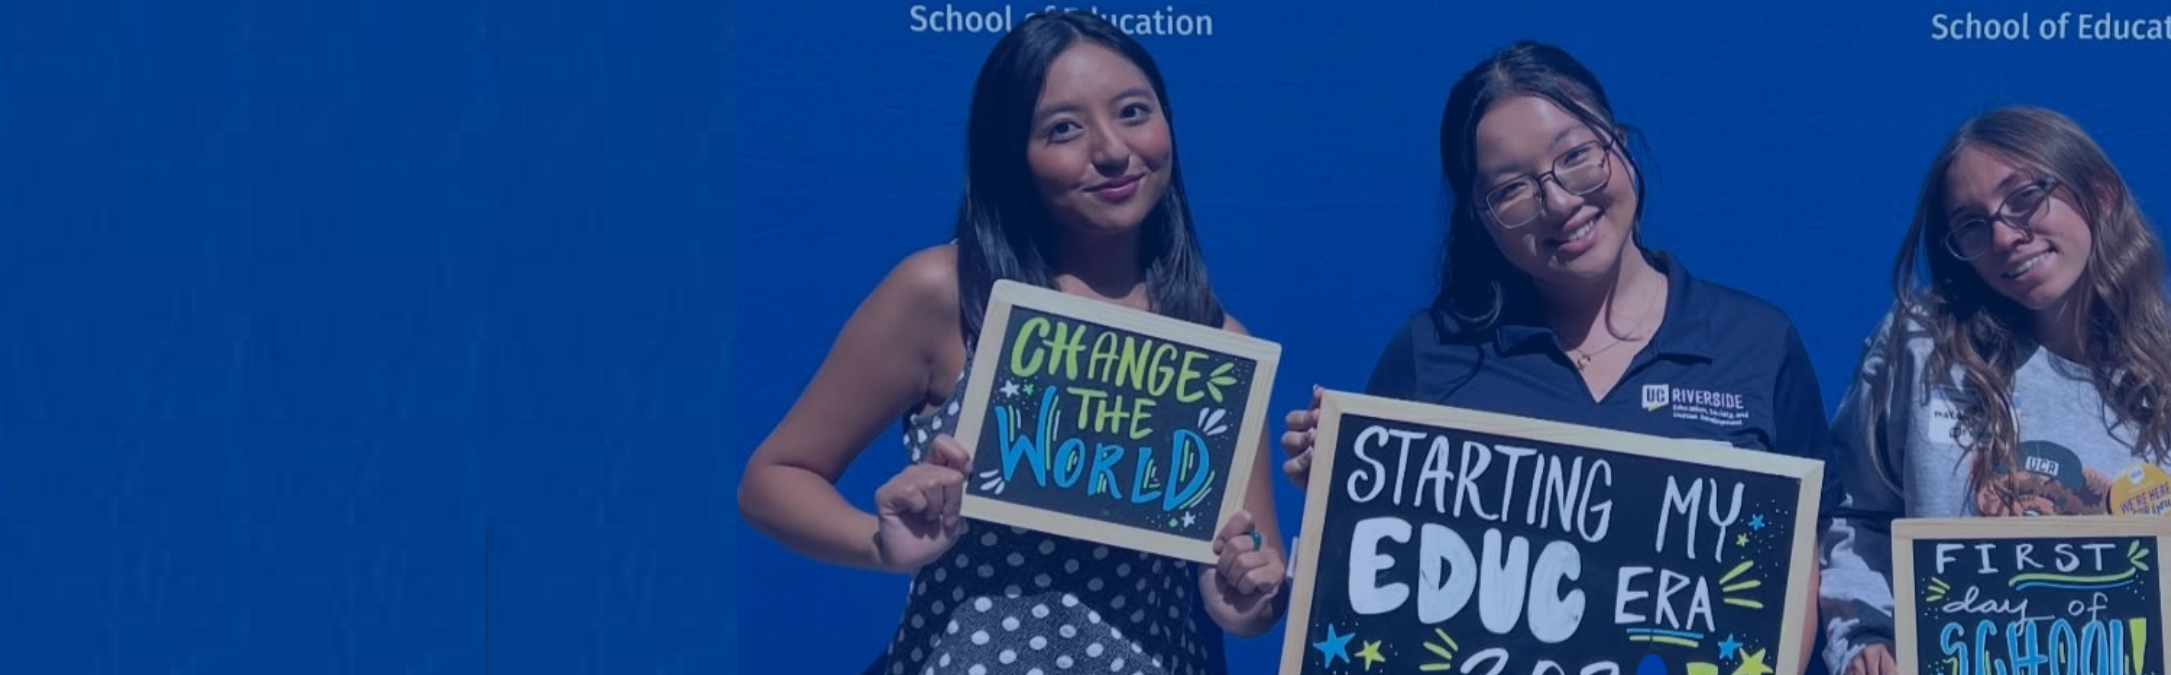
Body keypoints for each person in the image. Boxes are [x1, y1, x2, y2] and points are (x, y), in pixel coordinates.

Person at [737, 10, 1287, 675]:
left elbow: (1253, 579)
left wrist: (1244, 594)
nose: (1111, 150)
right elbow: (774, 478)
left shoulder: (1216, 343)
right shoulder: (945, 292)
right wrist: (879, 544)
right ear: (1011, 154)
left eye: (1134, 112)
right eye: (1063, 129)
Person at [1277, 40, 1831, 673]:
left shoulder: (1756, 341)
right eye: (1512, 189)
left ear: (1619, 144)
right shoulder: (1432, 354)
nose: (1561, 201)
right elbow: (1375, 590)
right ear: (1480, 218)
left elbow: (1803, 562)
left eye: (1576, 156)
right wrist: (1343, 481)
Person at [1817, 106, 2171, 675]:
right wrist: (1864, 636)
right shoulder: (1923, 345)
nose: (2005, 235)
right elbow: (1853, 512)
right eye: (1972, 224)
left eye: (2025, 197)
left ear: (2100, 194)